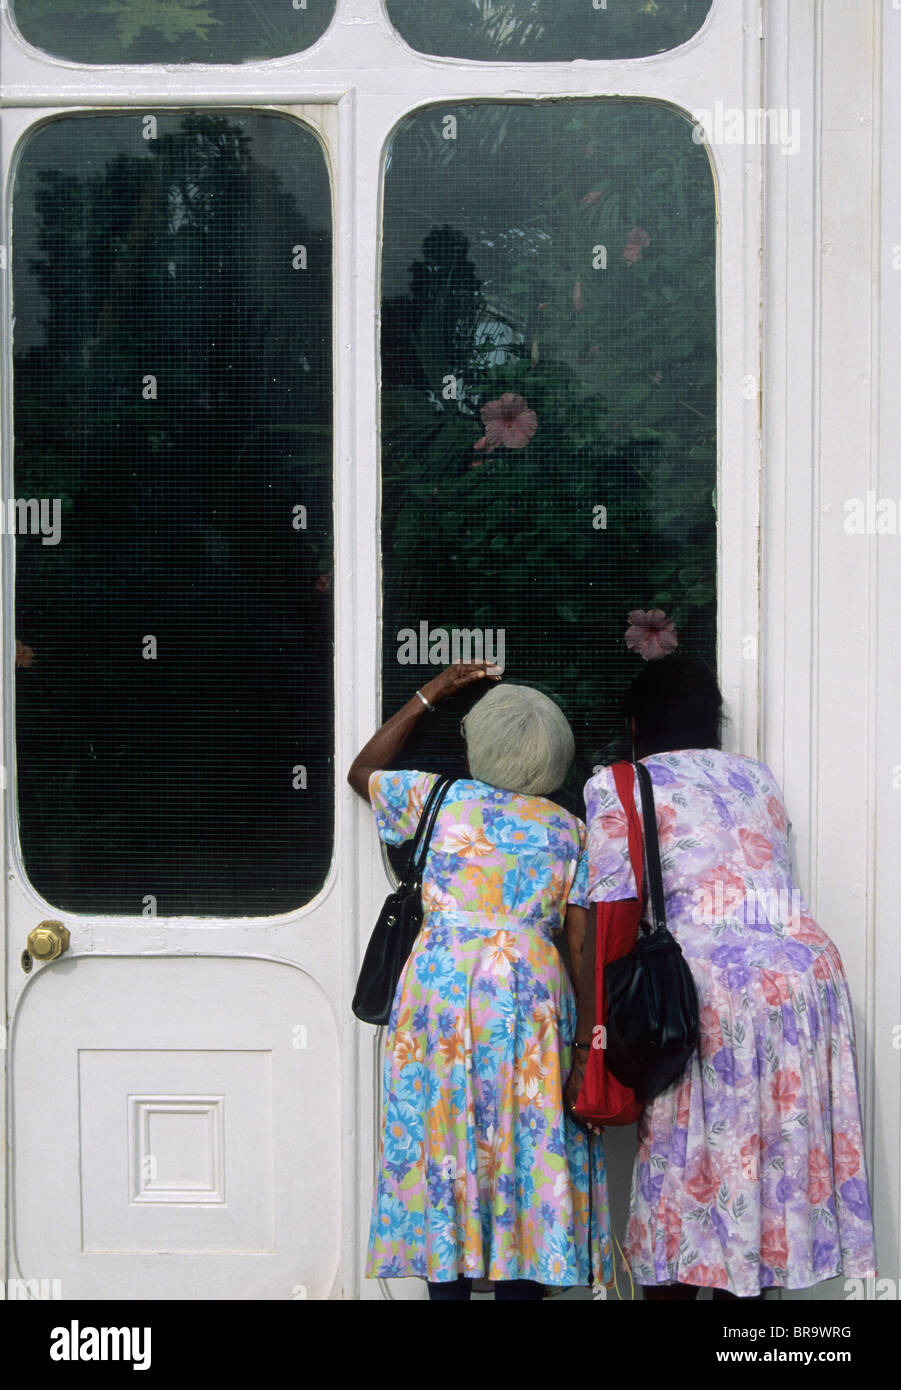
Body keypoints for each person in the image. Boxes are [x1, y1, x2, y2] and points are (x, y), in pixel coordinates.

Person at [574, 654, 878, 1299]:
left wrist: (594, 1038)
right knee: (761, 1164)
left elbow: (611, 907)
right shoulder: (755, 777)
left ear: (635, 724)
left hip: (711, 987)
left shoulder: (617, 784)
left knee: (688, 1174)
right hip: (806, 978)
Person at [348, 660, 612, 1300]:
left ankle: (449, 1286)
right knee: (525, 1145)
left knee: (446, 1139)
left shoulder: (438, 800)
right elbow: (579, 942)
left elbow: (361, 771)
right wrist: (585, 1047)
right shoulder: (570, 830)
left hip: (442, 988)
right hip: (532, 996)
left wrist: (428, 695)